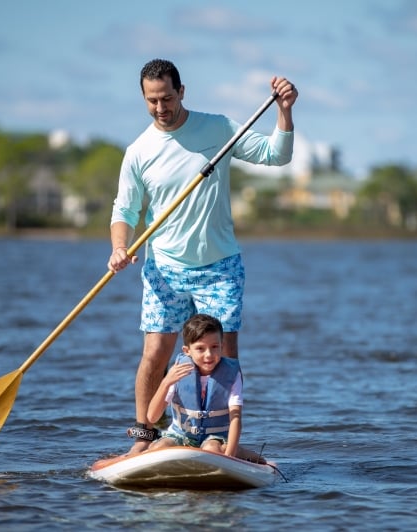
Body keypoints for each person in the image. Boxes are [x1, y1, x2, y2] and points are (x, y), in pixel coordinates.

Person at [108, 58, 298, 454]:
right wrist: (119, 247)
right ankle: (145, 438)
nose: (161, 108)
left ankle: (224, 443)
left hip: (220, 267)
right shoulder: (139, 151)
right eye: (151, 101)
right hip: (165, 268)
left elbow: (275, 156)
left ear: (181, 91)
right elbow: (124, 212)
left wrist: (284, 110)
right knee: (155, 354)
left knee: (223, 357)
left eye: (166, 98)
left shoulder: (219, 129)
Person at [146, 314, 244, 457]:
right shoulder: (178, 372)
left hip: (215, 438)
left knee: (211, 450)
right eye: (200, 348)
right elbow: (152, 417)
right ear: (187, 351)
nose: (209, 354)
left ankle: (241, 453)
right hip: (180, 435)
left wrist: (229, 457)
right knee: (159, 448)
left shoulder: (232, 375)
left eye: (215, 347)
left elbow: (236, 419)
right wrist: (166, 382)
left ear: (222, 346)